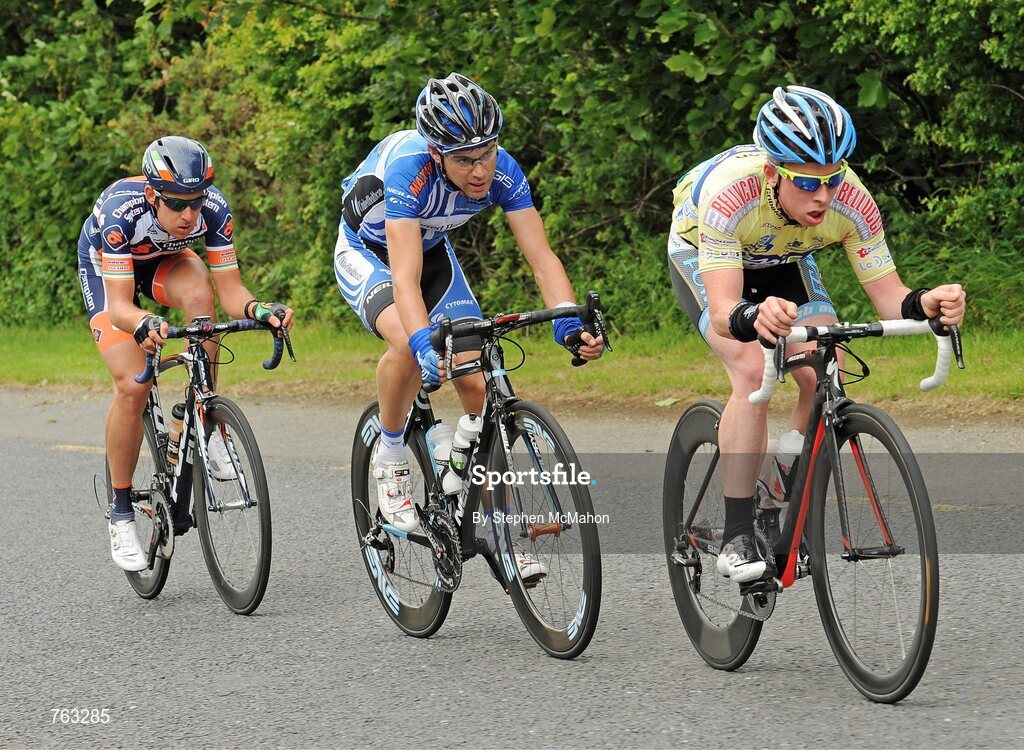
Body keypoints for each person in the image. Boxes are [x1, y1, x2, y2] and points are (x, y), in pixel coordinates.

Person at [667, 85, 965, 582]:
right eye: (807, 184)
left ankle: (784, 473)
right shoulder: (730, 197)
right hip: (707, 253)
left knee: (826, 360)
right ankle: (738, 533)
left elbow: (890, 296)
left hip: (785, 257)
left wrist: (925, 303)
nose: (824, 196)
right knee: (749, 367)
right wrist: (753, 319)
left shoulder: (852, 202)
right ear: (772, 173)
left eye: (832, 179)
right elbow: (723, 310)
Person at [334, 72, 603, 579]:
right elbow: (405, 280)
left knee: (476, 377)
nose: (480, 170)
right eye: (463, 160)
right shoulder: (409, 172)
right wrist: (421, 342)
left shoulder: (504, 172)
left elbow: (542, 259)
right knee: (407, 343)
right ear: (437, 154)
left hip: (432, 252)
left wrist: (568, 323)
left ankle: (498, 528)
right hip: (371, 254)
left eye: (488, 152)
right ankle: (390, 454)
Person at [77, 136, 293, 571]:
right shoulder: (123, 213)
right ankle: (120, 513)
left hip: (163, 263)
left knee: (202, 301)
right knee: (131, 387)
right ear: (154, 195)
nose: (189, 214)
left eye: (195, 202)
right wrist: (141, 323)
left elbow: (231, 292)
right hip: (108, 272)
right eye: (176, 204)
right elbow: (120, 305)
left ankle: (204, 417)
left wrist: (259, 310)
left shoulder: (213, 209)